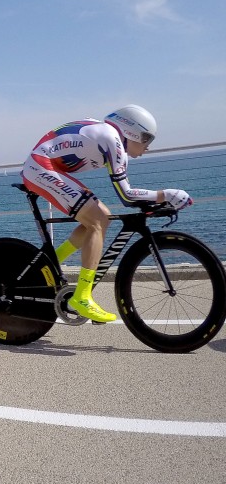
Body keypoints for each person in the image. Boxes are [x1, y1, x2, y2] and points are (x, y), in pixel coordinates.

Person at [22, 104, 192, 323]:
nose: (147, 147)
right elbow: (127, 195)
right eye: (147, 139)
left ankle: (48, 264)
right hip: (41, 166)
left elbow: (127, 195)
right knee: (96, 222)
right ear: (132, 132)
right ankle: (81, 297)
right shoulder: (112, 139)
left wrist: (157, 198)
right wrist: (166, 194)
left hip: (44, 165)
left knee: (102, 217)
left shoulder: (109, 135)